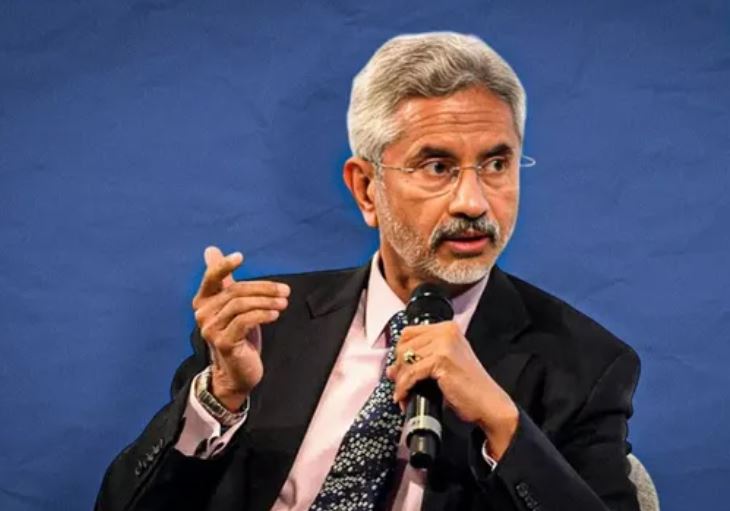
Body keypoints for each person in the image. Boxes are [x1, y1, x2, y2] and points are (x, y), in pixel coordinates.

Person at [96, 32, 641, 511]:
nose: (474, 202)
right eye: (438, 167)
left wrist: (502, 422)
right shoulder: (269, 329)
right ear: (365, 189)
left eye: (497, 164)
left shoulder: (584, 367)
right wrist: (220, 398)